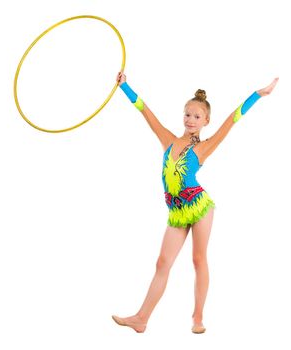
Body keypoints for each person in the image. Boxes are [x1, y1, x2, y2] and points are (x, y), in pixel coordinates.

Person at [112, 72, 279, 333]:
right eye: (187, 114)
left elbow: (232, 120)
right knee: (162, 263)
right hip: (177, 211)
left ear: (206, 121)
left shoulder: (203, 148)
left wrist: (257, 95)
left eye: (197, 116)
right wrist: (124, 86)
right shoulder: (169, 141)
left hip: (199, 207)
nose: (191, 120)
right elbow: (145, 112)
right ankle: (141, 318)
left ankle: (197, 318)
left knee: (198, 259)